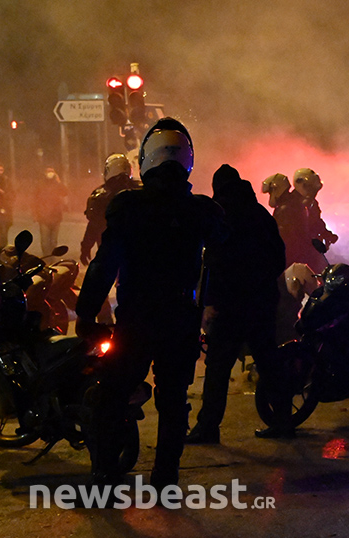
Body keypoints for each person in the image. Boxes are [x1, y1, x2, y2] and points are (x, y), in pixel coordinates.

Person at [74, 118, 225, 491]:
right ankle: (165, 477)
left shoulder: (129, 207)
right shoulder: (201, 211)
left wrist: (86, 312)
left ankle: (106, 475)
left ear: (147, 158)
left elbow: (105, 264)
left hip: (137, 319)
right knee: (173, 401)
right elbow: (222, 262)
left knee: (112, 396)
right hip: (180, 320)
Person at [186, 164, 289, 443]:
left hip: (230, 306)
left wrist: (211, 302)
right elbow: (278, 258)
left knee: (218, 368)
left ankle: (208, 427)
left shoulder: (221, 216)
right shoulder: (261, 215)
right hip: (261, 302)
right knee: (268, 361)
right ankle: (283, 420)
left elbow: (214, 263)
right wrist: (261, 283)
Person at [80, 154, 139, 323]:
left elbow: (93, 225)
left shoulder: (99, 196)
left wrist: (86, 247)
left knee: (99, 284)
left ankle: (104, 322)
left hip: (109, 252)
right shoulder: (141, 191)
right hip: (135, 252)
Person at [262, 172, 324, 272]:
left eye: (271, 192)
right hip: (301, 255)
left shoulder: (285, 208)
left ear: (276, 189)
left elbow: (283, 236)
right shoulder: (294, 204)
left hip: (291, 256)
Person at [293, 168, 338, 251]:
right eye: (310, 187)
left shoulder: (312, 203)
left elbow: (316, 222)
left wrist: (327, 234)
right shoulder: (292, 204)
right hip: (296, 249)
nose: (313, 192)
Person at [33, 167, 68, 255]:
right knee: (45, 241)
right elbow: (35, 200)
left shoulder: (57, 184)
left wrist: (59, 181)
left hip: (56, 216)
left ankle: (52, 257)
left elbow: (65, 192)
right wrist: (35, 214)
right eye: (48, 172)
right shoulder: (40, 184)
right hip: (43, 217)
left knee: (53, 241)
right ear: (45, 173)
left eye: (52, 172)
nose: (50, 173)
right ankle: (46, 257)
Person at [0, 164, 14, 246]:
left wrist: (3, 193)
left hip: (5, 209)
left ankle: (3, 246)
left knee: (4, 231)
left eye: (1, 170)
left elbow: (12, 195)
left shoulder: (7, 181)